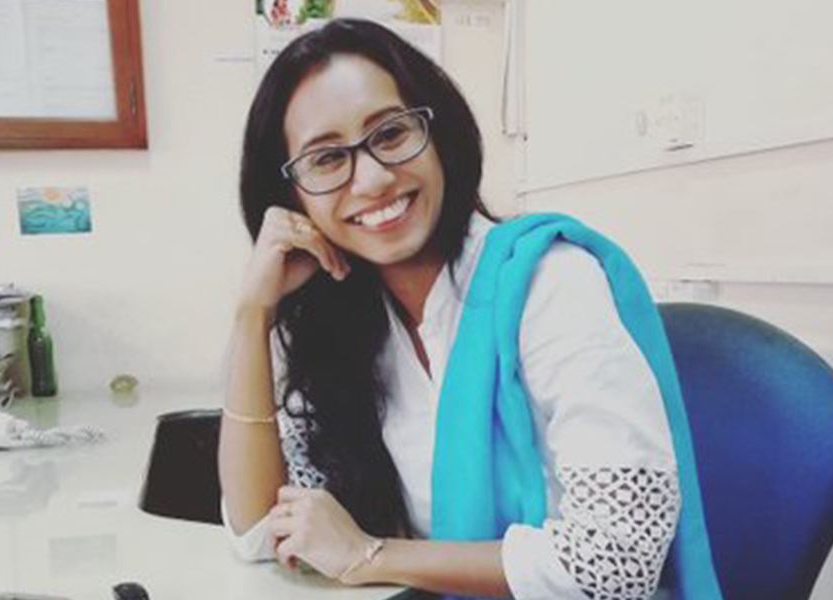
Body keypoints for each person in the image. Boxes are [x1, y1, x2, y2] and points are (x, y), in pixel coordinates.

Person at [219, 18, 695, 600]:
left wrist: (370, 556)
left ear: (437, 134)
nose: (370, 179)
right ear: (292, 197)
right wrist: (252, 313)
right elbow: (261, 529)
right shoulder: (356, 327)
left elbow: (616, 563)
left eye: (390, 133)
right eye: (326, 160)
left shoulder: (549, 284)